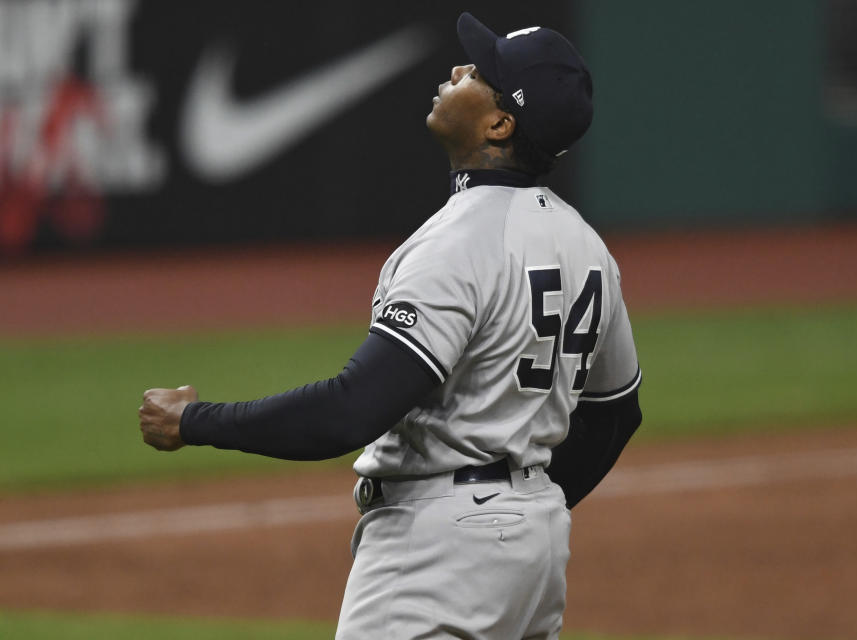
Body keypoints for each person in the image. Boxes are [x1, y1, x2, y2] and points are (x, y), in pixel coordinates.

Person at [139, 12, 642, 639]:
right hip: (536, 549)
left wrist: (194, 422)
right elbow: (616, 412)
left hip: (437, 550)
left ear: (500, 123)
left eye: (479, 73)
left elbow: (349, 411)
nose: (457, 70)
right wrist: (522, 507)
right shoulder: (587, 247)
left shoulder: (457, 245)